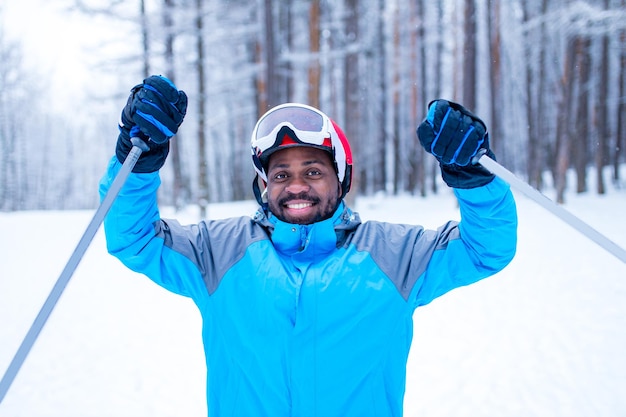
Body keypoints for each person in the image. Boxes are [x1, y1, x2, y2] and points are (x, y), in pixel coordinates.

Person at [100, 75, 517, 417]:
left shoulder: (396, 256)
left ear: (342, 179)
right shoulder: (218, 253)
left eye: (313, 171)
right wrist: (138, 157)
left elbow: (485, 249)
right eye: (281, 175)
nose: (296, 185)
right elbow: (134, 238)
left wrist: (472, 176)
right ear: (264, 186)